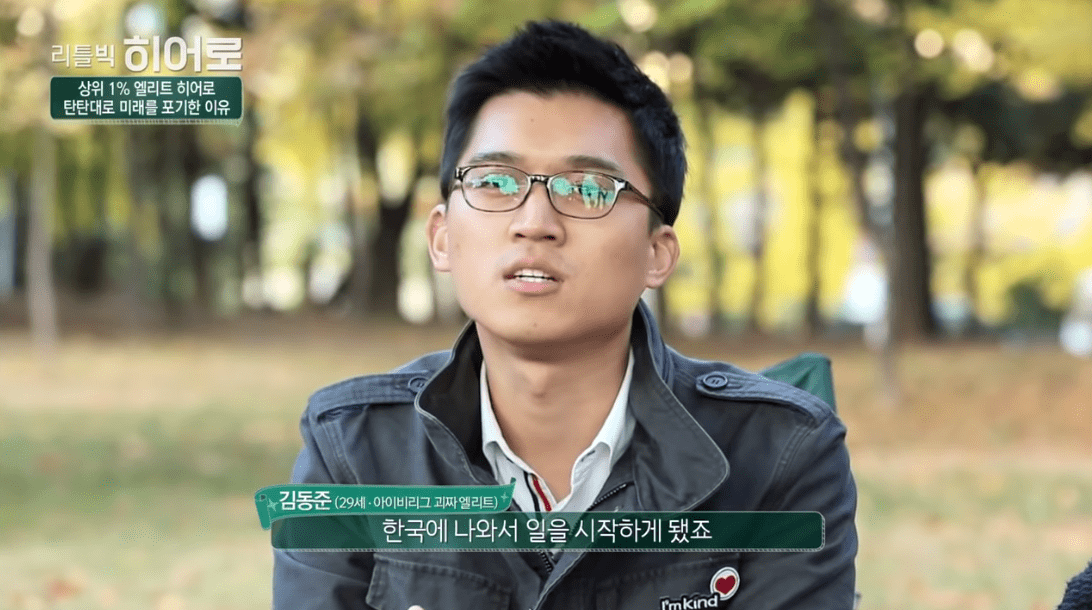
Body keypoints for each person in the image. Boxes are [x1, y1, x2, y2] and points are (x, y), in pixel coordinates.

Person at [273, 20, 857, 610]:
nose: (534, 223)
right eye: (495, 181)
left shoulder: (781, 454)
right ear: (442, 238)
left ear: (657, 254)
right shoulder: (353, 450)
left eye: (587, 188)